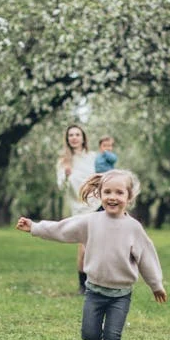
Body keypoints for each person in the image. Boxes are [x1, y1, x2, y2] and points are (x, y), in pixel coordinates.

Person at [16, 170, 167, 340]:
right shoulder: (91, 221)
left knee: (113, 337)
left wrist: (156, 284)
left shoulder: (134, 228)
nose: (113, 197)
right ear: (99, 194)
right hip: (94, 291)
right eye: (107, 192)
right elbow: (62, 229)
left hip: (120, 295)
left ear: (129, 197)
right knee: (89, 333)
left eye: (119, 192)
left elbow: (147, 258)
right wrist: (35, 227)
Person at [56, 124, 98, 294]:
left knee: (97, 245)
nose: (74, 137)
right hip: (80, 208)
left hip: (98, 204)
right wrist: (66, 176)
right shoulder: (63, 161)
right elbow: (61, 186)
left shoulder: (92, 157)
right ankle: (83, 285)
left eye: (77, 134)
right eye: (71, 135)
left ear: (83, 138)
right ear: (67, 139)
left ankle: (98, 282)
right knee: (84, 246)